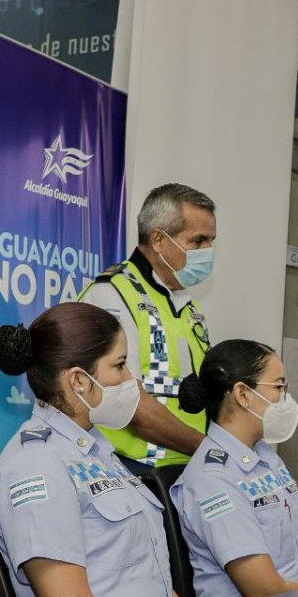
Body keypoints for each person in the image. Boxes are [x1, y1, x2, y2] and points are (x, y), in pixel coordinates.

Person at [0, 302, 185, 597]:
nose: (130, 380)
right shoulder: (35, 466)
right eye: (120, 365)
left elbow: (152, 580)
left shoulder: (96, 452)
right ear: (79, 381)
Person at [171, 340, 298, 597]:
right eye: (278, 386)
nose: (285, 398)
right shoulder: (212, 479)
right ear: (242, 394)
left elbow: (292, 565)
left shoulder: (266, 458)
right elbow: (263, 589)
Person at [80, 183, 217, 472]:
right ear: (158, 239)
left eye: (211, 241)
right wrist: (209, 450)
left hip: (185, 468)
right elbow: (126, 402)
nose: (208, 251)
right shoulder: (113, 294)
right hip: (132, 472)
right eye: (198, 241)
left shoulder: (187, 306)